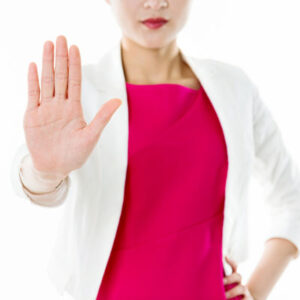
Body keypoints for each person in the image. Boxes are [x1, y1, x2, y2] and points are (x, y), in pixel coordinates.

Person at [10, 0, 300, 299]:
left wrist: (256, 291)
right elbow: (31, 178)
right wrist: (46, 173)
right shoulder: (78, 91)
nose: (155, 3)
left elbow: (291, 197)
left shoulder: (234, 87)